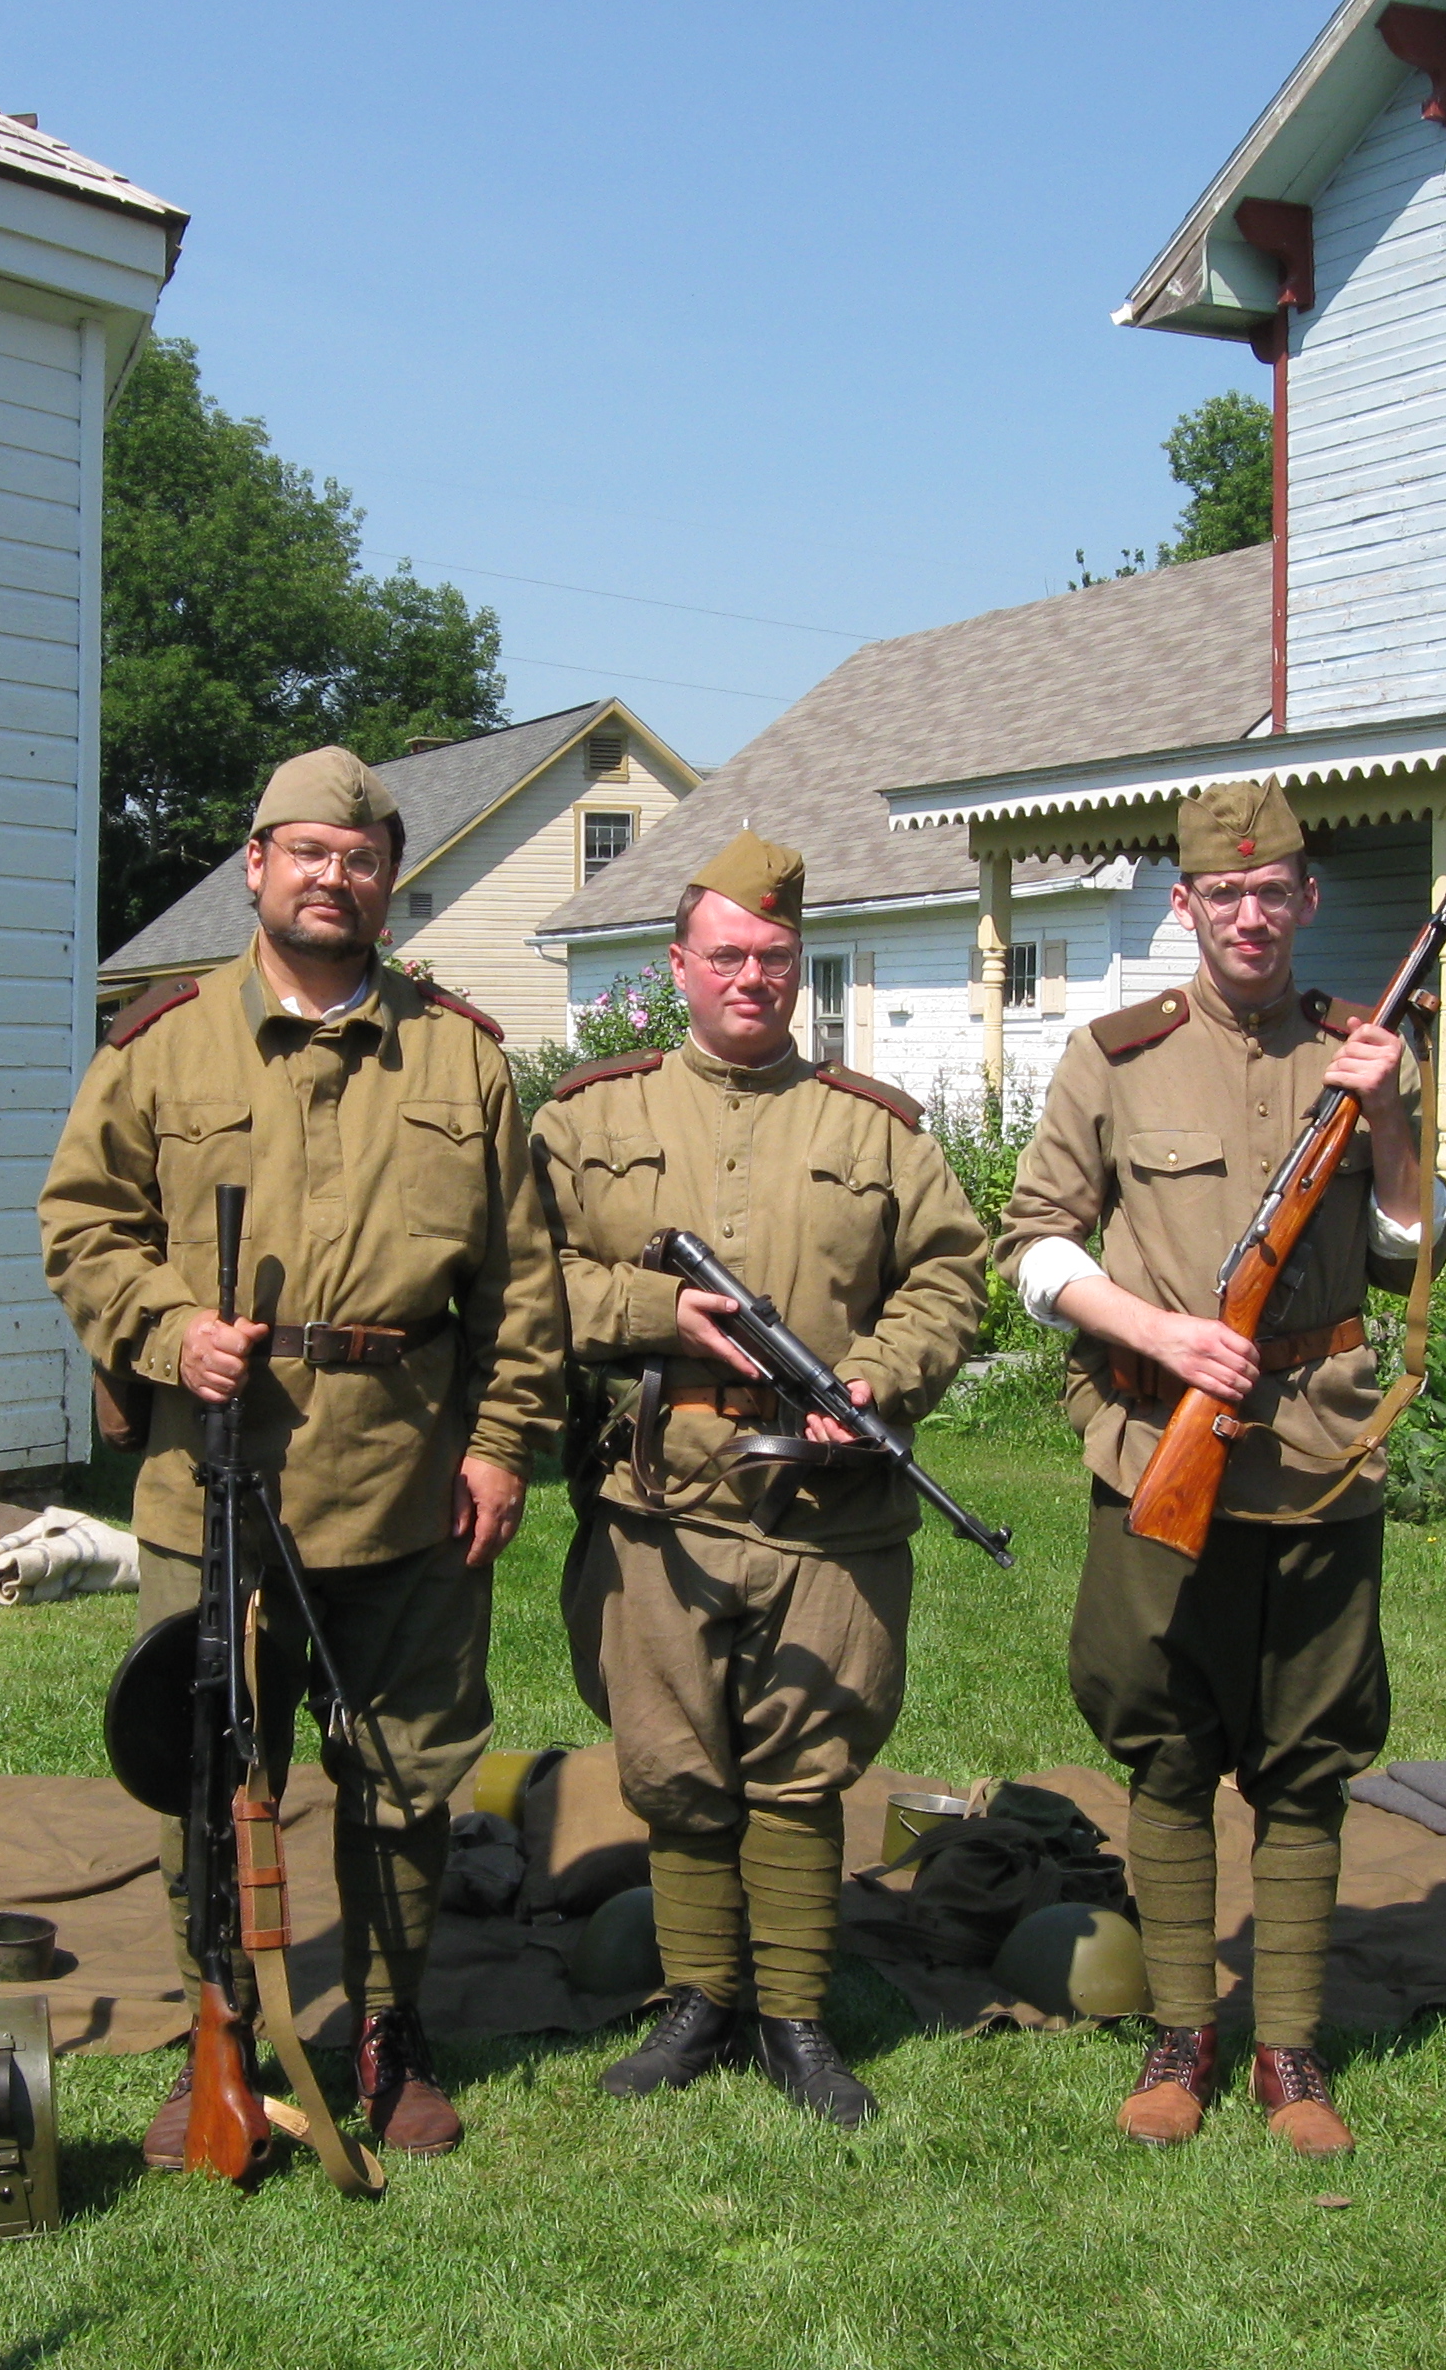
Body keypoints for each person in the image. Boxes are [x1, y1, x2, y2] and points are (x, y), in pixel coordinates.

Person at [38, 746, 564, 2165]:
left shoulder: (460, 1054)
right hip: (218, 1478)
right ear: (257, 866)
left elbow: (522, 1283)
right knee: (208, 1774)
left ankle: (389, 2039)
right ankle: (220, 2029)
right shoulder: (158, 1049)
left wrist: (505, 1447)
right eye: (310, 853)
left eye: (365, 857)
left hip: (409, 1476)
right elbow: (81, 1226)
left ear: (391, 881)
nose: (337, 877)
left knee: (406, 1777)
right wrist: (165, 1329)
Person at [992, 777, 1446, 2159]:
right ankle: (1185, 2030)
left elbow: (1411, 1252)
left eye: (1277, 890)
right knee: (1169, 1741)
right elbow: (1032, 1246)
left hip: (1317, 1451)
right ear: (1187, 905)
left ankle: (1293, 2051)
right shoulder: (1114, 1056)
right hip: (1158, 1447)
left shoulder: (1368, 1052)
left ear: (1308, 900)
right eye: (1225, 893)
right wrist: (1157, 1335)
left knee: (1309, 1757)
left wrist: (1387, 1120)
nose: (1252, 914)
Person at [531, 832, 989, 2126]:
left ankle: (794, 2017)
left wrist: (882, 1382)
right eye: (727, 955)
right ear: (679, 965)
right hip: (656, 1494)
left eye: (775, 958)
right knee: (674, 1762)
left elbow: (951, 1273)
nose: (752, 978)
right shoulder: (590, 1118)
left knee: (802, 1763)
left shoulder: (876, 1129)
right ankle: (698, 2005)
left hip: (825, 1499)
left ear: (801, 968)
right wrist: (650, 1310)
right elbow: (522, 1279)